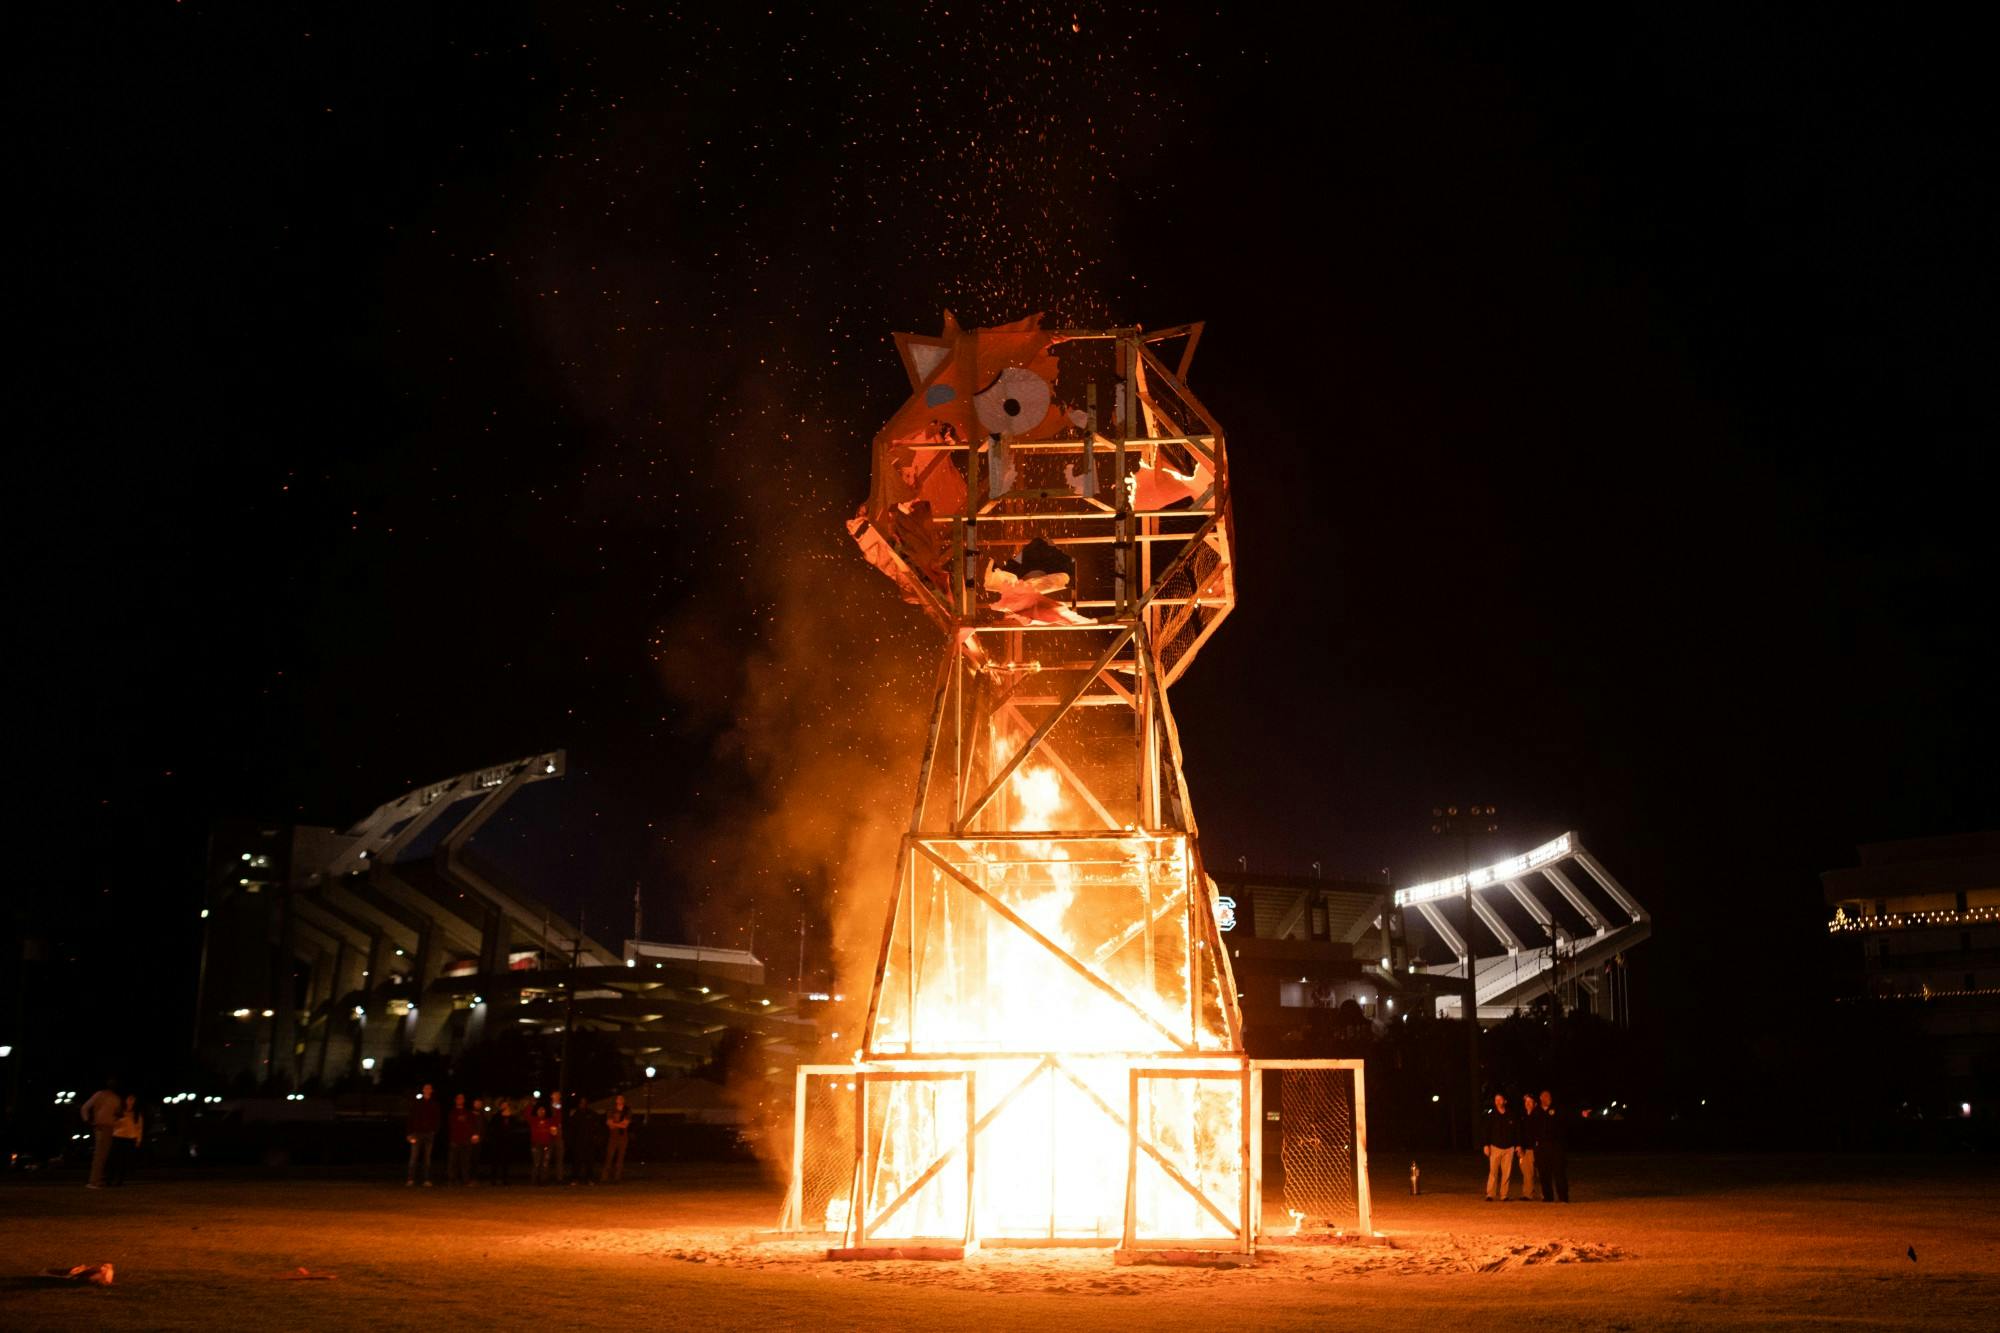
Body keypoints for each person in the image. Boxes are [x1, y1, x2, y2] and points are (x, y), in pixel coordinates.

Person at [79, 1077, 122, 1190]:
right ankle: (94, 1181)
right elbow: (117, 1114)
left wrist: (88, 1120)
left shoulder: (102, 1095)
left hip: (103, 1126)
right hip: (104, 1126)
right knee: (100, 1155)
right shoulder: (114, 1098)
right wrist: (88, 1120)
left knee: (101, 1154)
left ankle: (97, 1179)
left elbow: (85, 1108)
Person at [1535, 1089, 1570, 1203]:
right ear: (1540, 1098)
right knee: (1544, 1173)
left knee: (1559, 1172)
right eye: (1544, 1096)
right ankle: (1548, 1196)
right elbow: (1530, 1128)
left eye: (1548, 1096)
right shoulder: (1537, 1111)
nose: (1546, 1098)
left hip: (1556, 1146)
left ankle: (1563, 1197)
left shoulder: (1557, 1109)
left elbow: (1567, 1117)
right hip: (1541, 1147)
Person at [1483, 1092, 1519, 1201]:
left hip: (1509, 1148)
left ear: (1505, 1101)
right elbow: (1486, 1131)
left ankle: (1504, 1195)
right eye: (1496, 1100)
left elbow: (1517, 1131)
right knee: (1493, 1172)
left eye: (1500, 1099)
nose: (1498, 1102)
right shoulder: (1491, 1115)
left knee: (1506, 1173)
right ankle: (1490, 1194)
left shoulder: (1511, 1115)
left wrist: (1518, 1145)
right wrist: (1486, 1145)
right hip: (1495, 1147)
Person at [406, 1082, 441, 1186]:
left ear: (431, 1090)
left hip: (429, 1134)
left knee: (427, 1159)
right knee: (414, 1157)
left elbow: (437, 1119)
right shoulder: (416, 1103)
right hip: (417, 1133)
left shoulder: (434, 1104)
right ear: (423, 1090)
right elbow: (410, 1118)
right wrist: (409, 1133)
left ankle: (426, 1179)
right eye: (425, 1088)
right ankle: (410, 1179)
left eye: (429, 1088)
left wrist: (434, 1130)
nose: (427, 1090)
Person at [109, 1094, 145, 1186]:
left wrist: (138, 1140)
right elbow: (113, 1124)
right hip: (118, 1137)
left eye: (133, 1099)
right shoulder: (120, 1111)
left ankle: (120, 1180)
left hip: (129, 1138)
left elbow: (139, 1128)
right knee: (115, 1159)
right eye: (129, 1099)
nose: (131, 1101)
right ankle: (110, 1178)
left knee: (124, 1160)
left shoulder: (136, 1113)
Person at [446, 1092, 481, 1186]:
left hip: (466, 1140)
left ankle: (465, 1180)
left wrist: (474, 1135)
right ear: (455, 1100)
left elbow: (473, 1125)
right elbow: (450, 1126)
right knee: (453, 1162)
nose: (460, 1100)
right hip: (455, 1140)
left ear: (464, 1100)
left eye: (462, 1098)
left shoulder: (468, 1113)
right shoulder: (452, 1113)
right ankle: (451, 1180)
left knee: (465, 1162)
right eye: (458, 1098)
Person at [571, 1095, 605, 1185]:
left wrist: (595, 1137)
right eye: (581, 1102)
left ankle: (590, 1179)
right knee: (577, 1161)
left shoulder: (592, 1114)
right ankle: (575, 1179)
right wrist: (573, 1141)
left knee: (589, 1162)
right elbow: (572, 1128)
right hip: (578, 1142)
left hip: (590, 1142)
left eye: (584, 1102)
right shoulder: (576, 1114)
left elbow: (598, 1126)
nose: (583, 1104)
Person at [485, 1098, 518, 1186]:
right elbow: (491, 1128)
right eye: (503, 1105)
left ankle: (505, 1179)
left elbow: (514, 1128)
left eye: (506, 1105)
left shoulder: (512, 1117)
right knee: (495, 1161)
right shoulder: (496, 1116)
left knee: (506, 1162)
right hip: (497, 1142)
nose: (504, 1106)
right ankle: (493, 1179)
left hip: (507, 1142)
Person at [603, 1094, 632, 1183]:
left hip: (623, 1137)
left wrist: (615, 1124)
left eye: (622, 1098)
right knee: (609, 1156)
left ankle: (617, 1177)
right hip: (613, 1137)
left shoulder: (627, 1110)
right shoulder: (611, 1110)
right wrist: (619, 1124)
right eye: (618, 1098)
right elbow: (609, 1123)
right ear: (616, 1100)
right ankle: (605, 1177)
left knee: (620, 1157)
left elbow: (625, 1124)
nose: (620, 1100)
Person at [529, 1104, 559, 1185]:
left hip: (547, 1145)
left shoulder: (550, 1121)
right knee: (537, 1163)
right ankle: (534, 1180)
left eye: (543, 1110)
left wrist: (554, 1133)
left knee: (545, 1163)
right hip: (536, 1145)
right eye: (539, 1110)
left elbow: (554, 1132)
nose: (541, 1112)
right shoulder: (533, 1120)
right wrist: (532, 1103)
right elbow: (527, 1113)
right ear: (537, 1112)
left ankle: (543, 1181)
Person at [1516, 1092, 1537, 1201]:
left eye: (1530, 1101)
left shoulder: (1538, 1115)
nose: (1528, 1103)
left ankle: (1546, 1194)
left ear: (1534, 1103)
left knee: (1541, 1173)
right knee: (1526, 1173)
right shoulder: (1522, 1116)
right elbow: (1519, 1132)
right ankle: (1527, 1194)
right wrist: (1519, 1146)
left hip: (1537, 1149)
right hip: (1525, 1149)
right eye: (1526, 1102)